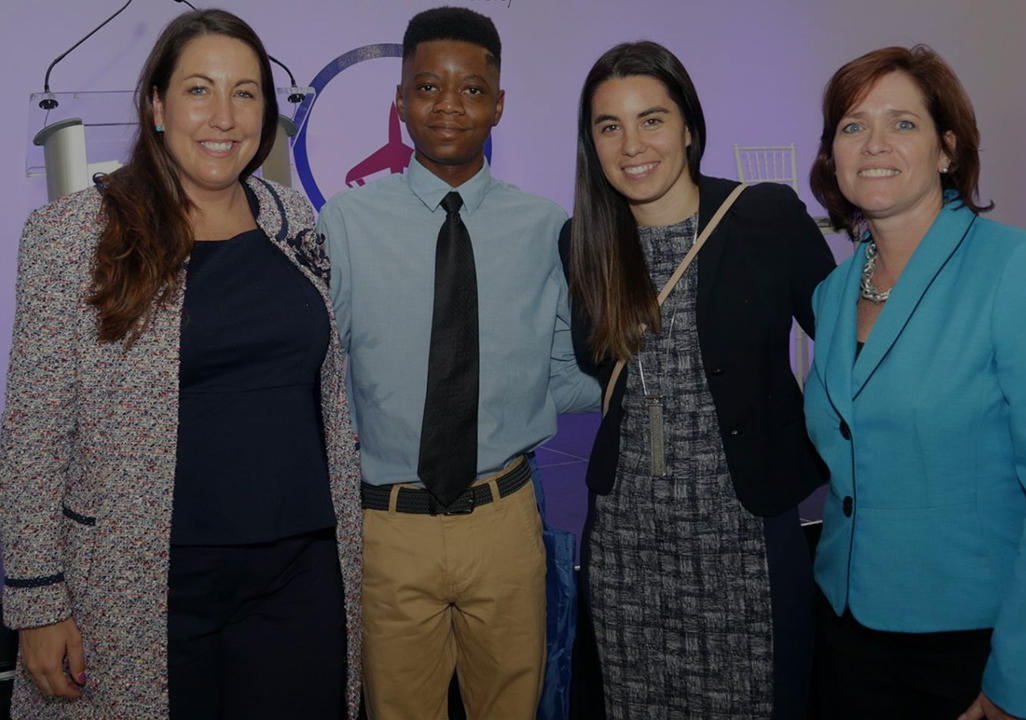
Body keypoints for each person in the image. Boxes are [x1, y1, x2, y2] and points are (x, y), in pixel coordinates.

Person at [0, 10, 364, 719]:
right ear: (158, 106)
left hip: (298, 573)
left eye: (245, 93)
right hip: (141, 580)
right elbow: (33, 434)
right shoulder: (72, 233)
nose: (224, 116)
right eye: (199, 89)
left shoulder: (292, 219)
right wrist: (36, 602)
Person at [316, 7, 599, 720]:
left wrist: (641, 379)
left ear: (498, 104)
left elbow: (563, 371)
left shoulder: (545, 229)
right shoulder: (344, 225)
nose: (449, 105)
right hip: (389, 529)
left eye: (472, 89)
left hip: (505, 522)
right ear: (401, 101)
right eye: (428, 87)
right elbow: (320, 374)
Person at [560, 41, 835, 719]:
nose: (632, 145)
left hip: (742, 532)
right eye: (609, 126)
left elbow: (845, 351)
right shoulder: (583, 241)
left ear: (688, 126)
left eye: (651, 119)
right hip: (628, 540)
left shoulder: (764, 216)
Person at [805, 45, 1026, 720]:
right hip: (846, 634)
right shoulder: (832, 294)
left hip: (976, 647)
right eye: (853, 125)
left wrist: (1023, 682)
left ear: (948, 151)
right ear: (833, 157)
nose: (874, 143)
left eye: (902, 123)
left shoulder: (1024, 269)